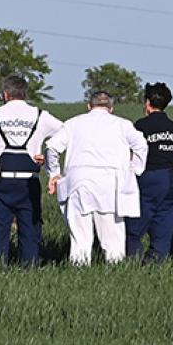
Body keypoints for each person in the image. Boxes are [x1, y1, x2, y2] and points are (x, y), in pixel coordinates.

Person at [0, 75, 63, 265]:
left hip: (0, 181)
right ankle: (30, 267)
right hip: (29, 181)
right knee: (30, 228)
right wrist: (46, 153)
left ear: (5, 94)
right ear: (24, 94)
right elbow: (65, 132)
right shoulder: (39, 115)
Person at [45, 91, 148, 265]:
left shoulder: (73, 123)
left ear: (89, 106)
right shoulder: (122, 124)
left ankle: (79, 271)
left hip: (78, 181)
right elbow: (141, 145)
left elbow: (51, 147)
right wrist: (134, 169)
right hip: (111, 183)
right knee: (113, 236)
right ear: (111, 108)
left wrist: (54, 173)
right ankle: (116, 272)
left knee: (80, 237)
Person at [126, 82, 173, 262]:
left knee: (134, 227)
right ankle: (155, 263)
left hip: (147, 177)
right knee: (163, 227)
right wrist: (170, 179)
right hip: (168, 178)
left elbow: (130, 155)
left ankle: (133, 263)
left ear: (147, 102)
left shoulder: (141, 126)